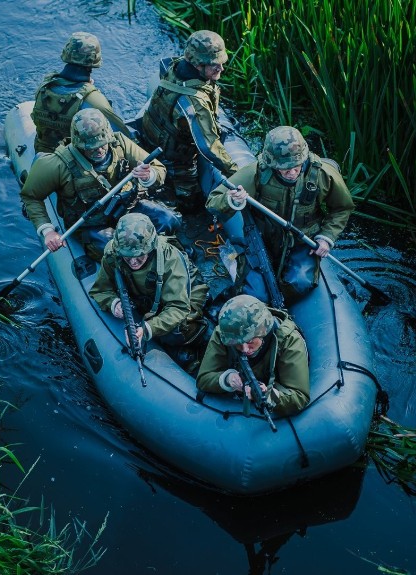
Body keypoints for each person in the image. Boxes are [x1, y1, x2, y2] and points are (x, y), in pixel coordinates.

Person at [205, 126, 355, 299]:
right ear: (272, 163)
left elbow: (342, 207)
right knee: (256, 293)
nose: (291, 173)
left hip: (302, 243)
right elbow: (213, 202)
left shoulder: (322, 175)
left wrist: (327, 236)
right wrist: (232, 200)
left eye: (296, 167)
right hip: (264, 240)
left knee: (299, 285)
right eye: (285, 168)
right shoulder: (256, 173)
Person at [21, 108, 180, 260]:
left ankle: (162, 256)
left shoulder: (120, 144)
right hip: (91, 225)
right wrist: (47, 231)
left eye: (103, 144)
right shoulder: (57, 164)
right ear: (78, 144)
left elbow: (158, 168)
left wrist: (148, 175)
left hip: (126, 208)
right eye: (91, 148)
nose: (99, 151)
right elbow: (31, 196)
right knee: (121, 253)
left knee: (168, 220)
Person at [89, 213, 209, 371]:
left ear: (150, 248)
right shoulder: (114, 254)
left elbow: (178, 307)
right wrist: (114, 304)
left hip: (186, 292)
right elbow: (100, 290)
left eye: (139, 256)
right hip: (150, 295)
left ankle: (201, 338)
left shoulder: (169, 258)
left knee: (176, 331)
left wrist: (147, 329)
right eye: (127, 256)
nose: (133, 261)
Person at [141, 30, 239, 213]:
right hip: (175, 157)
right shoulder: (194, 104)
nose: (221, 69)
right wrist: (236, 173)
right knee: (191, 202)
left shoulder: (176, 65)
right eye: (215, 66)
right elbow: (209, 147)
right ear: (198, 65)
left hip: (155, 134)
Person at [196, 295, 310, 418]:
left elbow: (300, 397)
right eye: (237, 344)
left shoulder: (289, 341)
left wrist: (267, 395)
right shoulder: (226, 334)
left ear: (263, 331)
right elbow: (203, 378)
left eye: (250, 341)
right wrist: (228, 379)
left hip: (274, 384)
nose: (245, 349)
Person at [31, 31, 132, 153]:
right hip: (72, 160)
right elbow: (123, 136)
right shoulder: (94, 100)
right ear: (94, 60)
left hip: (42, 150)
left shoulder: (44, 87)